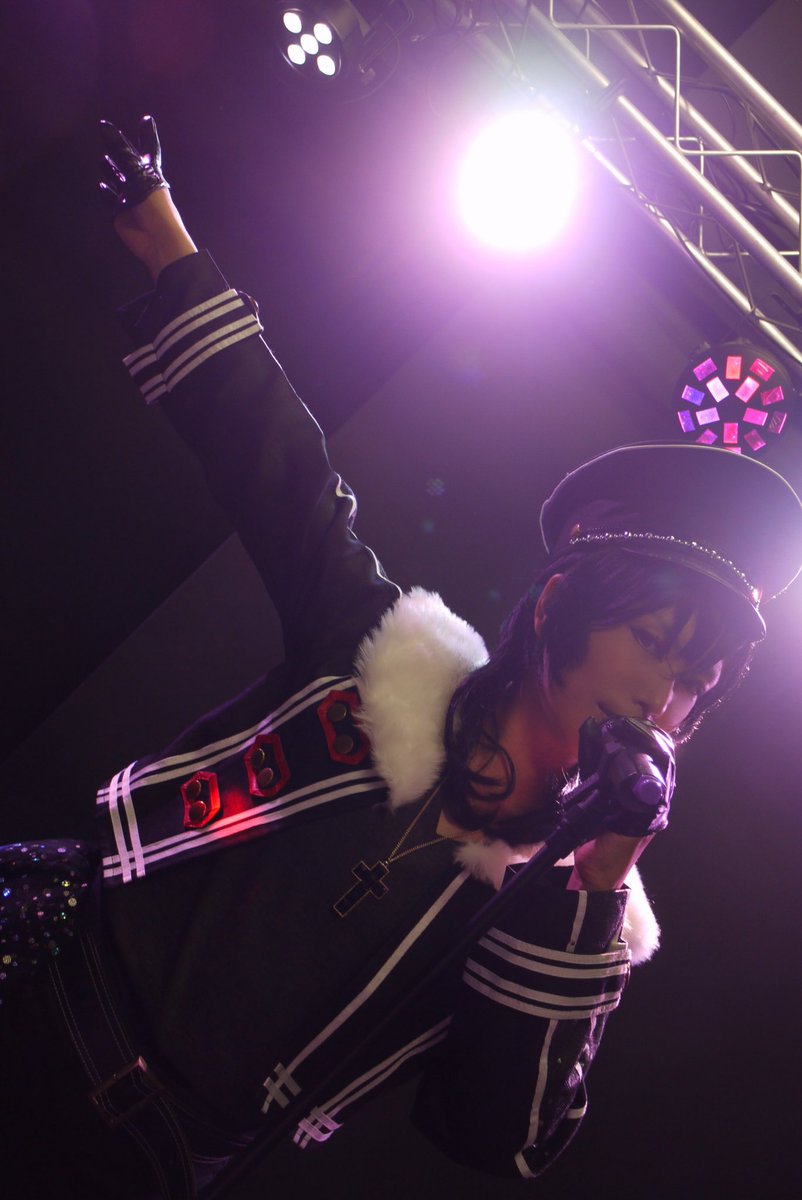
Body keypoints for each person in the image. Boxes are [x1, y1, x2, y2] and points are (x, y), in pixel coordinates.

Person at [2, 117, 801, 1200]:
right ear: (559, 609)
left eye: (696, 683)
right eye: (653, 645)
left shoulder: (571, 914)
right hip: (42, 966)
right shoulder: (389, 657)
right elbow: (281, 468)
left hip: (127, 1164)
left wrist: (601, 876)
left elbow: (497, 1132)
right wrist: (159, 224)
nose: (664, 695)